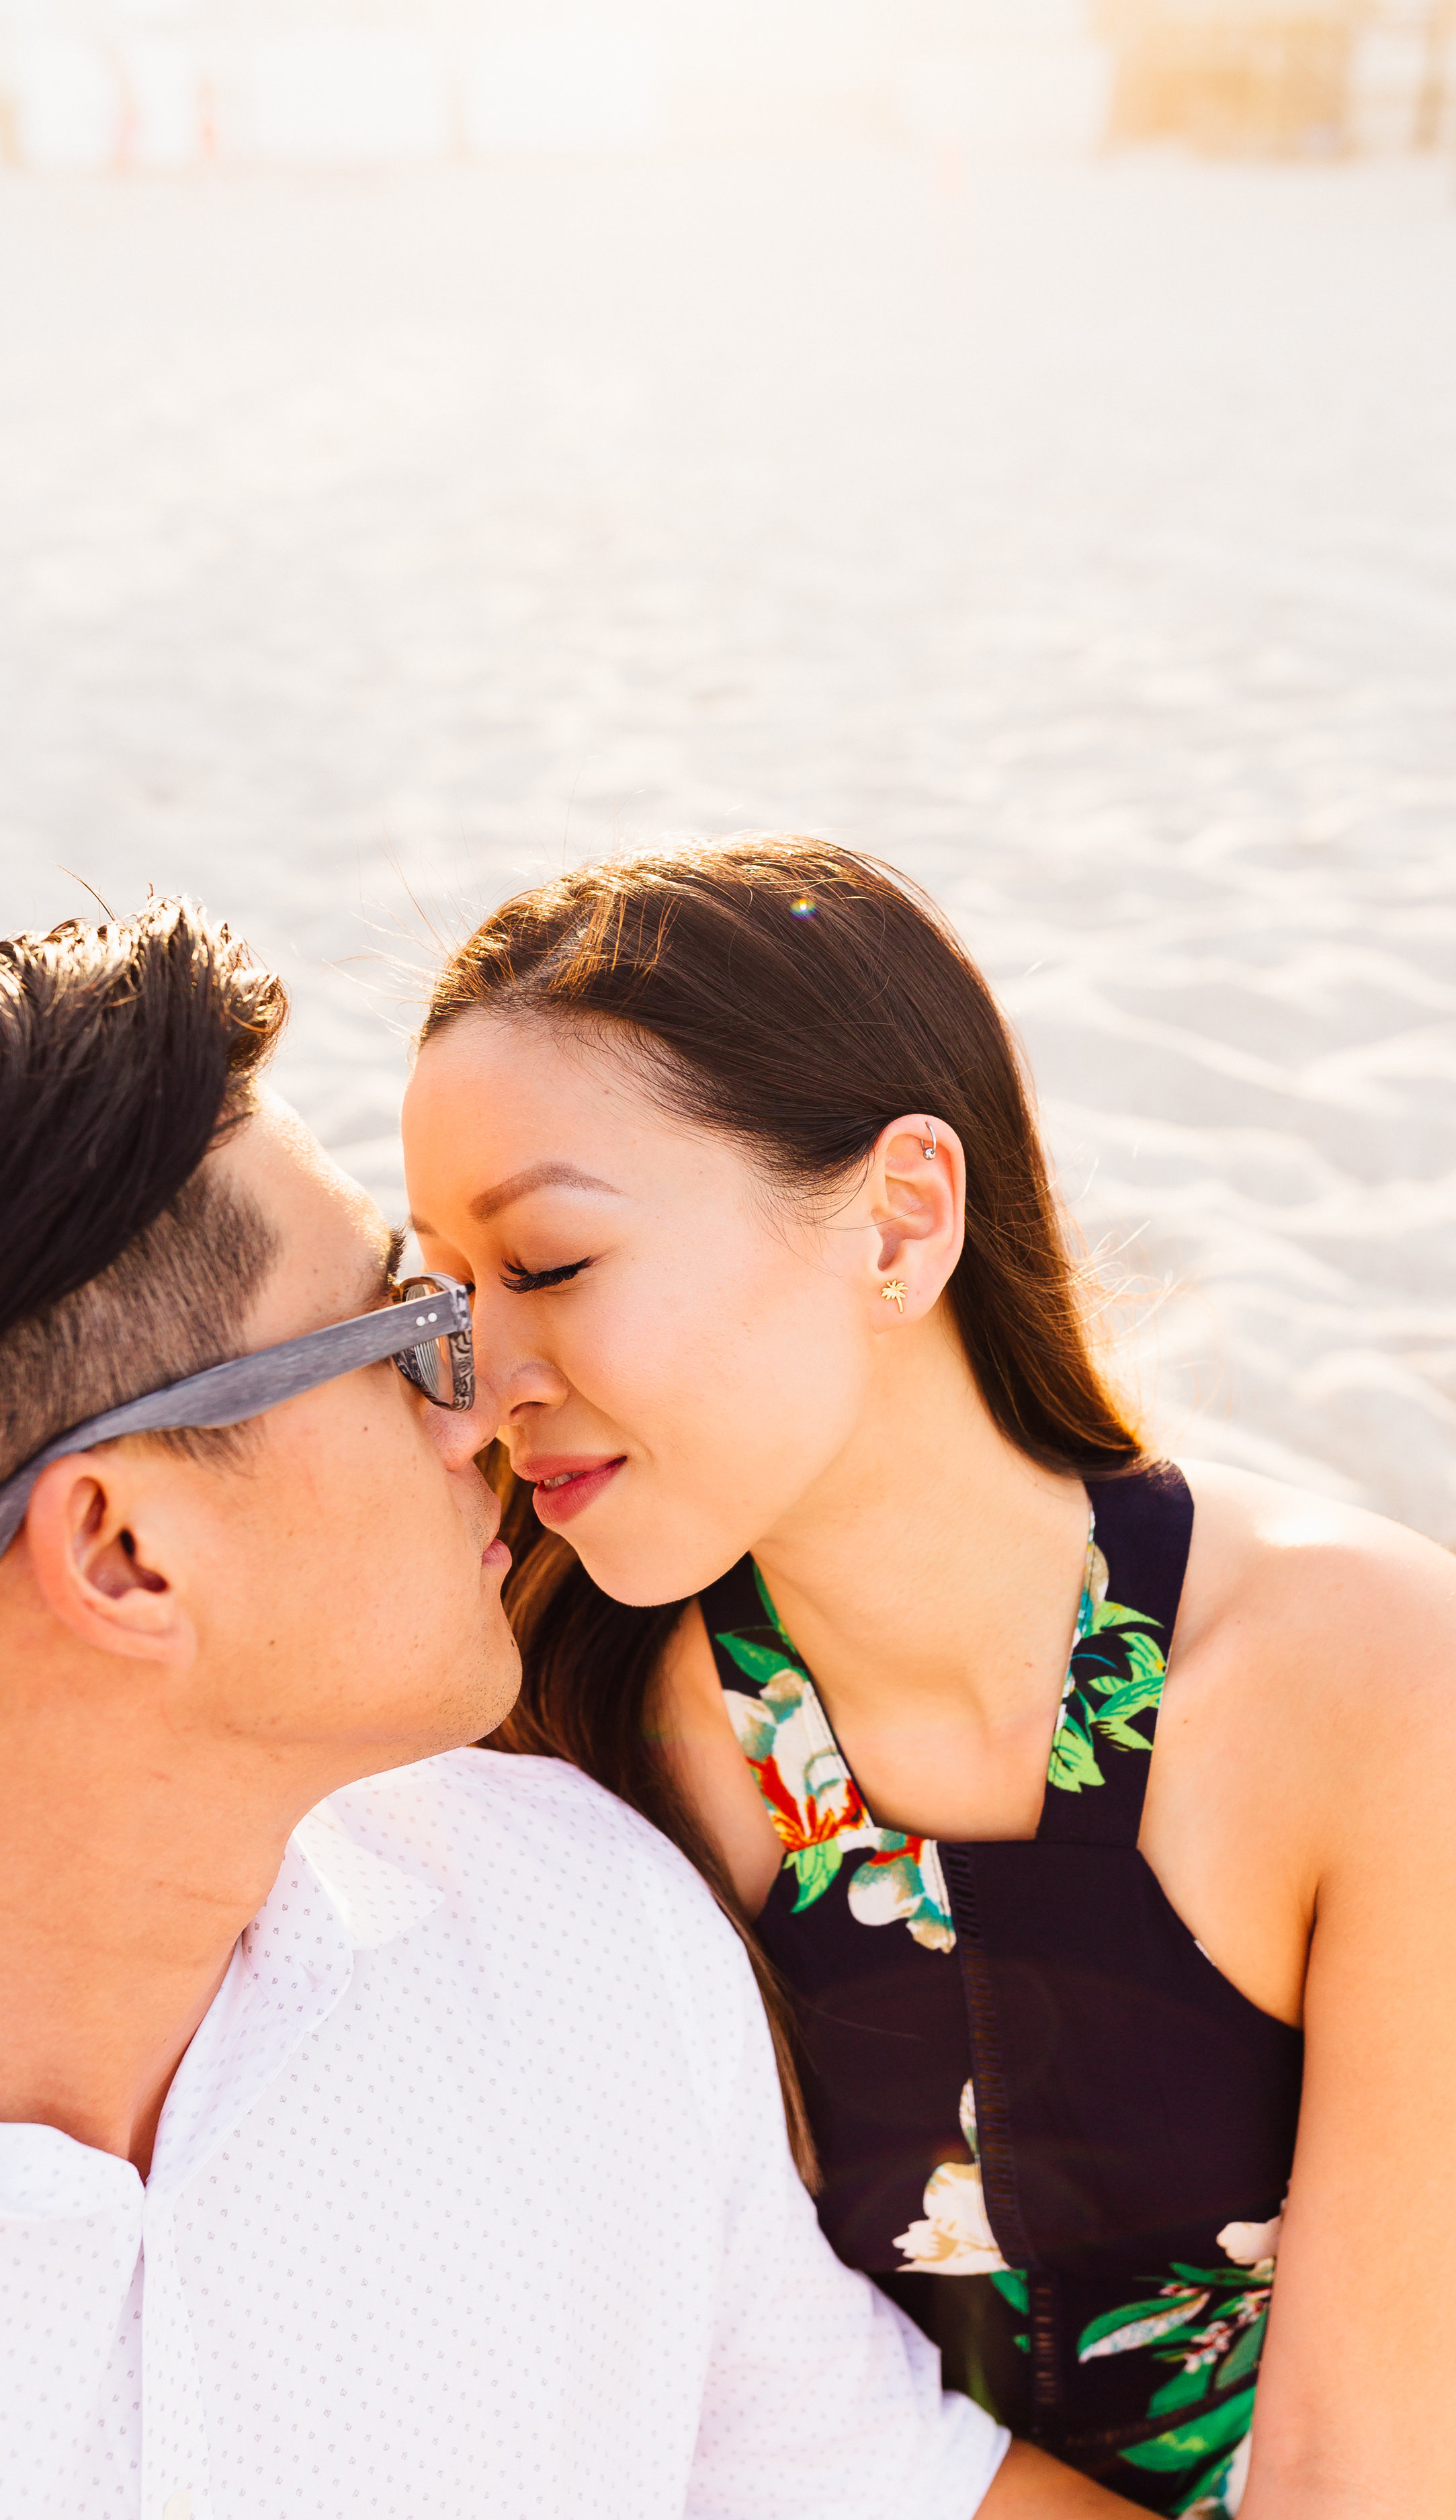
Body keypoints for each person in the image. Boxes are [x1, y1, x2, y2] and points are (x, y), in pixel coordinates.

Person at [402, 835, 1456, 2520]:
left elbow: (1356, 2488)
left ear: (899, 1217)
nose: (485, 1385)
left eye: (543, 1265)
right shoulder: (550, 1724)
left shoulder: (1376, 1682)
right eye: (451, 1297)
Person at [0, 896, 1113, 2520]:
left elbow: (886, 2487)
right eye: (393, 1334)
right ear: (126, 1551)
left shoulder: (570, 1934)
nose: (476, 1415)